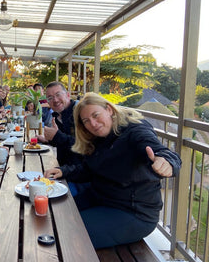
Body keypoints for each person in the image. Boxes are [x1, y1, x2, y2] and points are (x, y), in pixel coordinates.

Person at [44, 92, 181, 249]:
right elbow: (90, 169)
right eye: (86, 121)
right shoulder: (98, 136)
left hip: (133, 212)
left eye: (96, 115)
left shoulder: (134, 130)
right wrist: (64, 171)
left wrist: (166, 161)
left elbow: (159, 150)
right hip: (101, 198)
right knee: (55, 213)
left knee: (67, 234)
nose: (93, 124)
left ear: (109, 109)